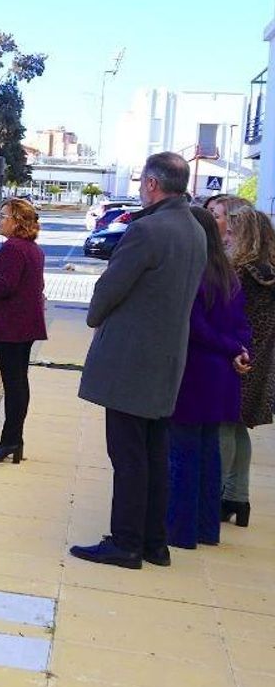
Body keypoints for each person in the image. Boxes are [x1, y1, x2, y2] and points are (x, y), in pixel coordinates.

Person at [72, 152, 208, 569]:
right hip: (167, 358)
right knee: (153, 453)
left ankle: (126, 543)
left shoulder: (148, 229)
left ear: (151, 183)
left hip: (133, 359)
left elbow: (112, 286)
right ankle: (153, 542)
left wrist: (94, 316)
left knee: (128, 456)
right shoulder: (194, 228)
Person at [165, 205, 250, 550]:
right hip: (223, 375)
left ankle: (180, 531)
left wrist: (229, 348)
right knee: (208, 452)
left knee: (183, 452)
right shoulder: (228, 274)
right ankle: (205, 528)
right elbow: (243, 324)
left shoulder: (195, 273)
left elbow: (196, 327)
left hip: (197, 370)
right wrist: (240, 351)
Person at [219, 199, 275, 527]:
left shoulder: (239, 271)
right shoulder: (269, 272)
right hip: (262, 359)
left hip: (236, 355)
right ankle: (239, 497)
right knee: (239, 427)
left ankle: (216, 494)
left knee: (225, 424)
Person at [0, 199, 47, 463]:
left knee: (14, 384)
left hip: (11, 325)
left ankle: (10, 441)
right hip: (25, 324)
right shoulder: (32, 249)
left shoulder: (13, 249)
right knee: (19, 382)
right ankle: (14, 441)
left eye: (3, 215)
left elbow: (6, 286)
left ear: (16, 221)